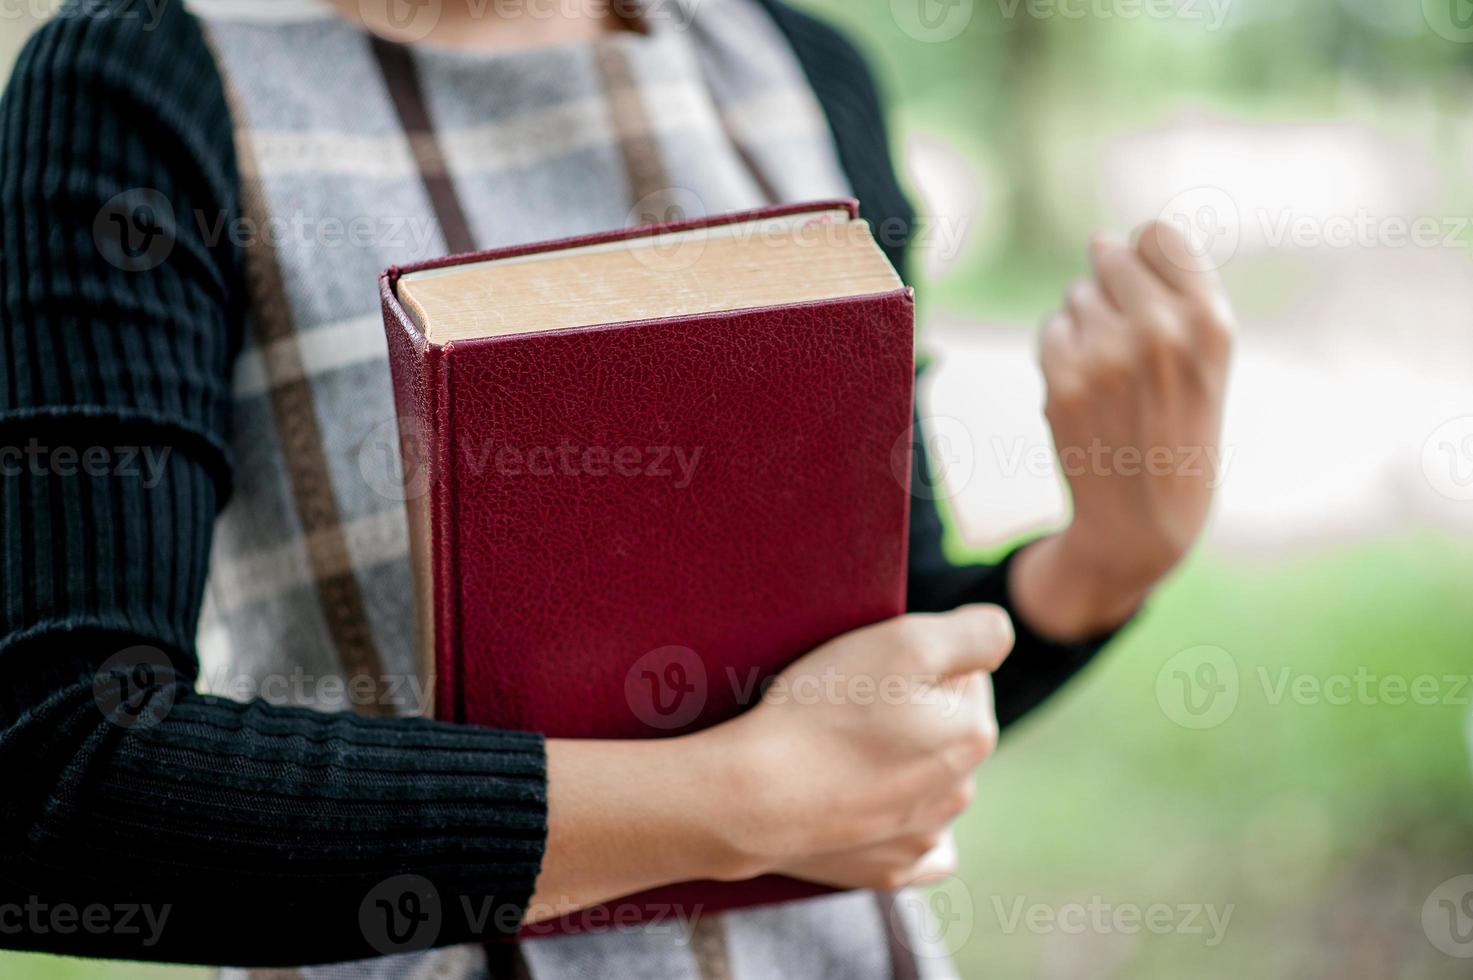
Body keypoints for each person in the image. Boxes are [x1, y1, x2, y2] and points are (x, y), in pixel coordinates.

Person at [0, 0, 1234, 976]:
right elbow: (54, 768)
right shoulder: (137, 77)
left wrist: (1111, 556)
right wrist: (733, 800)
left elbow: (870, 701)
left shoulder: (804, 68)